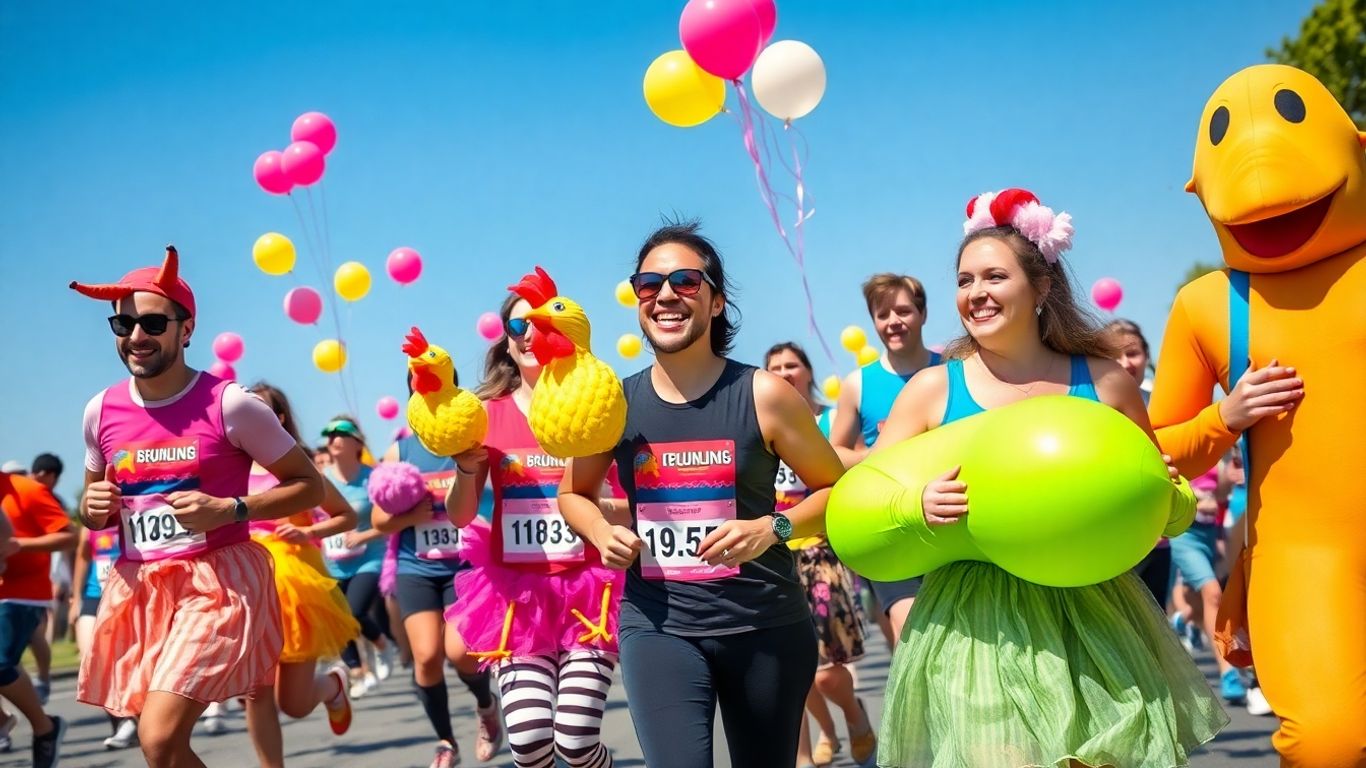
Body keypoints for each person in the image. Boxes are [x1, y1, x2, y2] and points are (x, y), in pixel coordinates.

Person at [871, 190, 1226, 766]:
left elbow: (1164, 500)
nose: (975, 293)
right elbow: (870, 497)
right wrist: (916, 502)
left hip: (1094, 614)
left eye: (993, 276)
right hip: (976, 623)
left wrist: (1168, 493)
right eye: (964, 281)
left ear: (1041, 288)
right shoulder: (933, 390)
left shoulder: (1107, 381)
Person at [559, 222, 844, 768]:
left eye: (686, 281)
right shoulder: (613, 405)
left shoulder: (765, 393)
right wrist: (599, 531)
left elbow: (836, 489)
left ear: (716, 302)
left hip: (765, 627)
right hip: (658, 628)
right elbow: (573, 493)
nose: (665, 295)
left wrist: (773, 528)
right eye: (649, 284)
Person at [70, 245, 324, 768]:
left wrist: (230, 509)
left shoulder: (231, 405)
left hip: (217, 586)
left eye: (153, 323)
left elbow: (310, 487)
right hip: (142, 589)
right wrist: (91, 505)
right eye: (123, 324)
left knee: (158, 738)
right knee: (164, 749)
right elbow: (94, 510)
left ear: (186, 330)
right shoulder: (101, 411)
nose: (136, 336)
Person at [444, 291, 625, 768]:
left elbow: (632, 504)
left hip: (590, 591)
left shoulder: (596, 407)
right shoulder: (484, 415)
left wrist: (592, 506)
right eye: (518, 328)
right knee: (527, 742)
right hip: (515, 599)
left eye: (541, 325)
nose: (529, 336)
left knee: (577, 740)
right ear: (506, 342)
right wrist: (465, 469)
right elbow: (461, 516)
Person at [377, 373, 502, 768]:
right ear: (411, 393)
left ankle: (486, 706)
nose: (427, 390)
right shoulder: (401, 452)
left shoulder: (472, 444)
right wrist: (409, 515)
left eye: (438, 384)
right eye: (417, 385)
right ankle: (446, 741)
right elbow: (380, 521)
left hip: (465, 565)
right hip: (417, 568)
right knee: (427, 656)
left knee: (461, 653)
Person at [764, 342, 875, 768]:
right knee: (794, 665)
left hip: (822, 552)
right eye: (775, 368)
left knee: (826, 668)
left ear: (807, 371)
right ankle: (827, 731)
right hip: (774, 555)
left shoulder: (830, 423)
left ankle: (852, 715)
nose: (785, 372)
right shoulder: (763, 422)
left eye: (792, 365)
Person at [240, 382, 361, 768]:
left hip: (294, 585)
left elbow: (347, 516)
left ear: (277, 418)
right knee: (256, 693)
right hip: (245, 582)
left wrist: (308, 531)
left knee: (291, 704)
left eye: (256, 406)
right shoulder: (226, 467)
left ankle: (333, 686)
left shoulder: (296, 466)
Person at [828, 273, 939, 648]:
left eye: (904, 311)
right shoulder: (857, 384)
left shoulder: (955, 369)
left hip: (952, 518)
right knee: (911, 635)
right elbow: (834, 454)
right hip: (892, 523)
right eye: (883, 314)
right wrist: (875, 455)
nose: (894, 321)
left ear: (923, 314)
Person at [0, 469, 74, 767]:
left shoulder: (26, 490)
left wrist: (18, 546)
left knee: (0, 662)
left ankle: (45, 728)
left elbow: (69, 536)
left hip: (23, 594)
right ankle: (5, 720)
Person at [319, 416, 397, 698]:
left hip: (369, 557)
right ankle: (356, 672)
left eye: (341, 432)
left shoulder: (372, 478)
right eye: (328, 433)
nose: (333, 438)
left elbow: (391, 520)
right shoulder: (320, 479)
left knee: (355, 610)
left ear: (357, 442)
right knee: (338, 619)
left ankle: (382, 646)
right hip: (332, 562)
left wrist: (364, 536)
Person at [1105, 319, 1170, 608]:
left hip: (1160, 537)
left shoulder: (1164, 402)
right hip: (1112, 535)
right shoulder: (1091, 405)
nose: (1125, 362)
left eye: (1132, 353)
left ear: (1146, 355)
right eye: (1114, 355)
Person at [69, 522, 140, 750]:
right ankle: (125, 721)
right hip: (93, 596)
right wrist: (75, 599)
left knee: (128, 662)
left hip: (127, 595)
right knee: (91, 660)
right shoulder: (90, 524)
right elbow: (83, 557)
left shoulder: (132, 513)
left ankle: (131, 721)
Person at [26, 453, 71, 707]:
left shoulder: (53, 501)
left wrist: (59, 578)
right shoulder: (36, 495)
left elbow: (63, 541)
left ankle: (43, 678)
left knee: (39, 626)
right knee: (36, 627)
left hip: (45, 574)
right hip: (31, 574)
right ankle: (42, 678)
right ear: (48, 475)